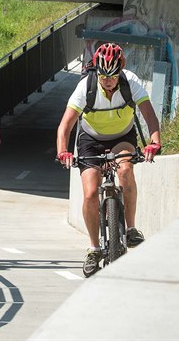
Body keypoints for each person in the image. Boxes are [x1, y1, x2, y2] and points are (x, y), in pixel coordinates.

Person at [55, 43, 162, 277]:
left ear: (120, 71)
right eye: (103, 76)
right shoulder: (86, 87)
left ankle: (131, 228)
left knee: (125, 171)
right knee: (91, 193)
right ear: (97, 72)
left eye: (112, 76)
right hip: (90, 139)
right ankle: (94, 248)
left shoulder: (131, 82)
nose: (108, 81)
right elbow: (66, 125)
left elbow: (150, 116)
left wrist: (154, 142)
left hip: (122, 136)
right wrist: (63, 150)